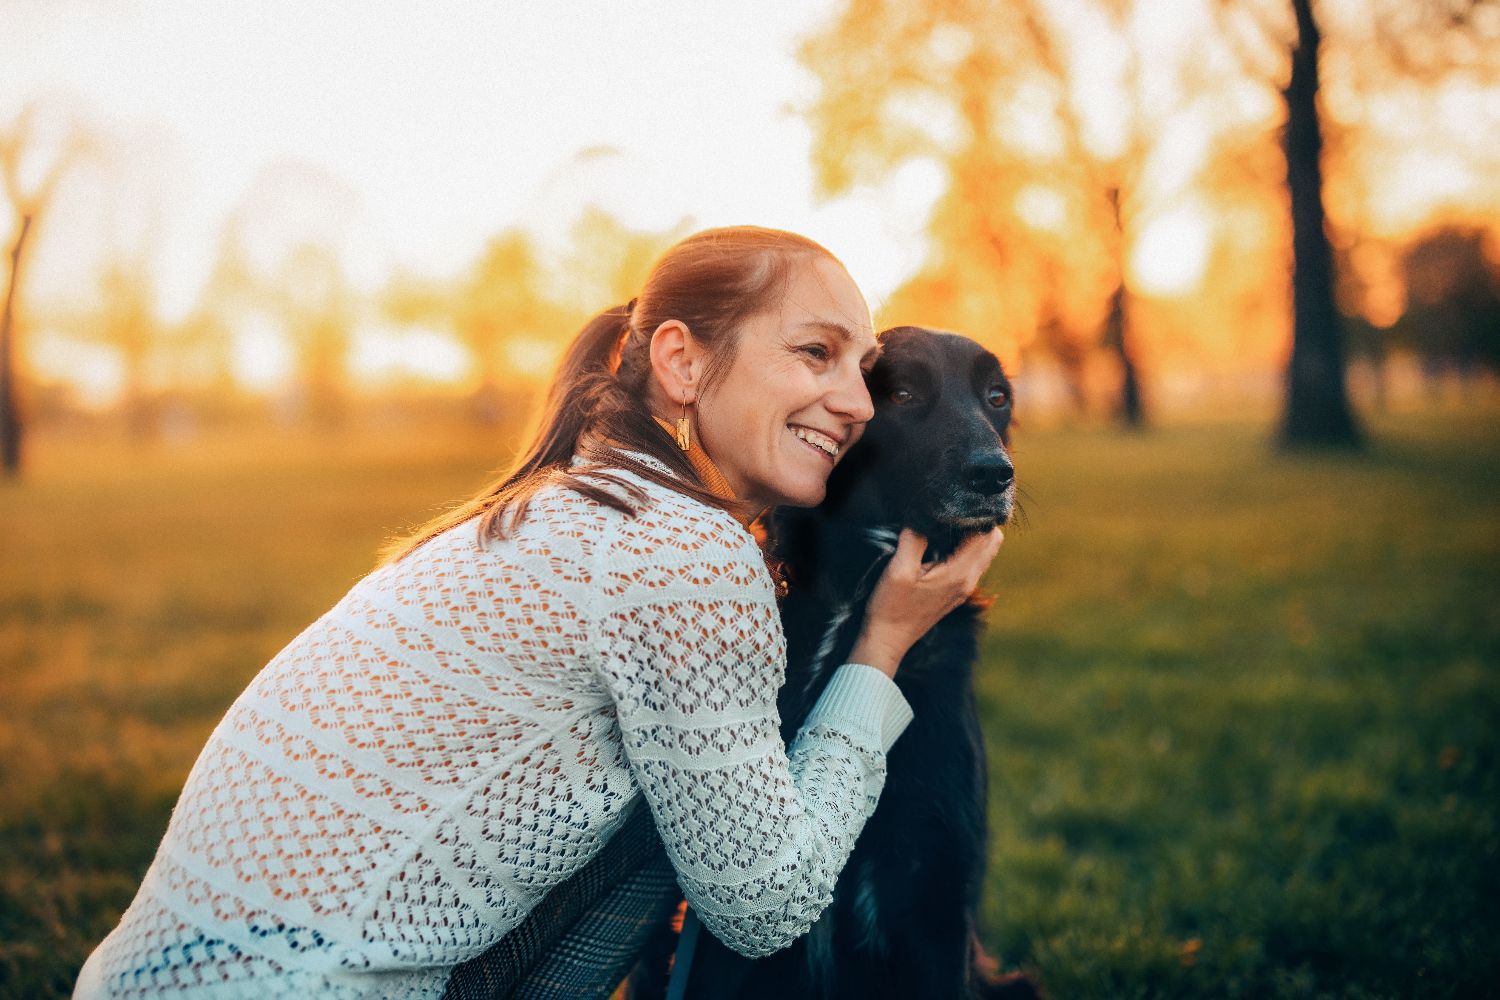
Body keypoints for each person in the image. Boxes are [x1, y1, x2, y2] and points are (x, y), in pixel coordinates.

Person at [74, 226, 1004, 999]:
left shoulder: (569, 505)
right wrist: (880, 647)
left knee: (670, 811)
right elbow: (768, 906)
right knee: (699, 827)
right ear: (681, 360)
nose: (852, 401)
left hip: (149, 980)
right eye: (817, 353)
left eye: (863, 366)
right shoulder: (681, 552)